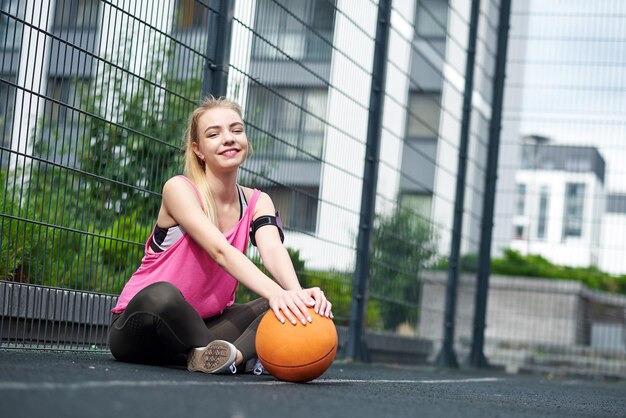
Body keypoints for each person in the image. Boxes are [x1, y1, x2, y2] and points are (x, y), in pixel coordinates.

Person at [108, 96, 333, 375]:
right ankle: (239, 355)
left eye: (236, 130)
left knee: (278, 300)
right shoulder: (179, 189)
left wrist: (298, 297)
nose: (228, 138)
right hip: (140, 329)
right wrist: (281, 295)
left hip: (204, 328)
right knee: (162, 296)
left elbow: (273, 251)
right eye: (214, 134)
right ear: (198, 149)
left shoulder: (258, 202)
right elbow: (220, 251)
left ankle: (229, 357)